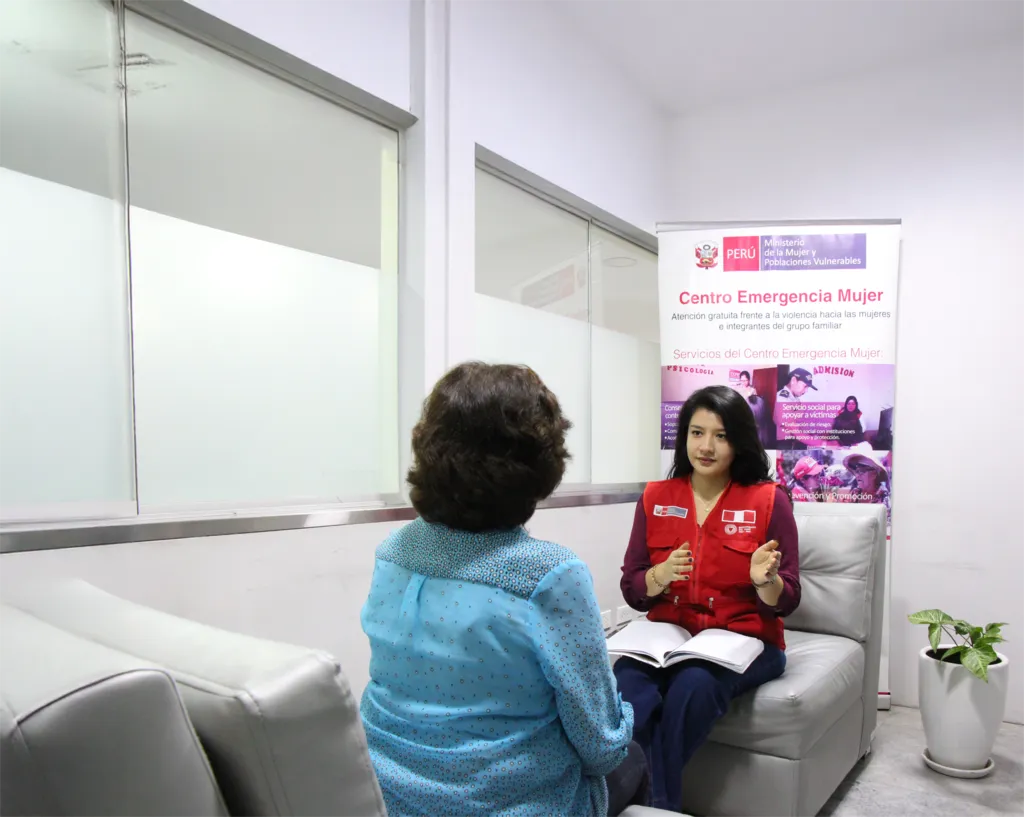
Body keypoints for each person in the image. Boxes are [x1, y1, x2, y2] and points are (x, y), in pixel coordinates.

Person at [360, 362, 647, 817]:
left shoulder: (391, 551)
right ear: (539, 463)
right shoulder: (549, 575)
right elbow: (600, 745)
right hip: (510, 804)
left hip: (388, 798)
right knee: (633, 759)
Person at [616, 385, 801, 811]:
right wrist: (658, 577)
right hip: (665, 639)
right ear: (683, 437)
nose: (706, 446)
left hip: (745, 641)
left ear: (739, 440)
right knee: (627, 691)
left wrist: (764, 581)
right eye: (697, 433)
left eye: (720, 435)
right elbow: (634, 589)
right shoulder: (655, 497)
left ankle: (649, 803)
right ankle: (653, 804)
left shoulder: (769, 500)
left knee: (692, 688)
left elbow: (787, 597)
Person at [773, 367, 817, 450]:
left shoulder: (795, 398)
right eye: (805, 386)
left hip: (793, 441)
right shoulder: (782, 398)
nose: (806, 391)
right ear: (793, 380)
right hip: (784, 442)